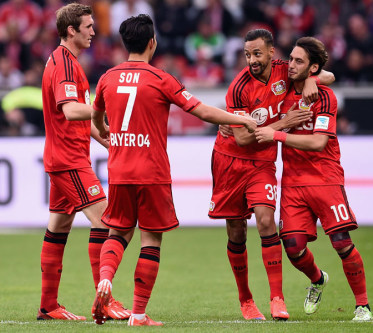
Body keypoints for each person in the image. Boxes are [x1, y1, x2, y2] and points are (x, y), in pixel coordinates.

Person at [90, 14, 257, 327]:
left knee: (117, 232)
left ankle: (105, 280)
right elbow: (203, 111)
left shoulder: (107, 78)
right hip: (152, 172)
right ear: (152, 43)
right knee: (150, 240)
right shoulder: (161, 79)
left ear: (125, 44)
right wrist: (242, 120)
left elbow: (96, 119)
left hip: (120, 170)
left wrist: (107, 135)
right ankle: (138, 315)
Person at [208, 29, 335, 321]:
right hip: (230, 161)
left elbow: (330, 77)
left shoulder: (285, 72)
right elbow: (242, 139)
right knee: (236, 230)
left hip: (263, 163)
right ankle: (246, 300)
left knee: (266, 220)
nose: (251, 60)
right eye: (247, 54)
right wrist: (286, 121)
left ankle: (277, 299)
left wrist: (313, 79)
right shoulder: (238, 87)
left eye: (257, 53)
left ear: (270, 52)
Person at [255, 36, 373, 321]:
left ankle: (362, 305)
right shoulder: (282, 92)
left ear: (312, 67)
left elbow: (319, 143)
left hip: (325, 178)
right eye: (291, 59)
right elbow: (323, 74)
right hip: (293, 183)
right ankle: (318, 279)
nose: (291, 65)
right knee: (293, 248)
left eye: (299, 61)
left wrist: (278, 134)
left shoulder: (326, 97)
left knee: (341, 242)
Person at [38, 3, 130, 321]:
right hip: (69, 160)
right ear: (71, 31)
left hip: (67, 155)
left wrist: (99, 134)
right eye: (88, 26)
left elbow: (76, 111)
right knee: (105, 222)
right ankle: (104, 301)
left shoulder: (68, 62)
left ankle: (48, 306)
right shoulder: (64, 64)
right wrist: (106, 108)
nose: (94, 31)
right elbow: (69, 109)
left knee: (58, 228)